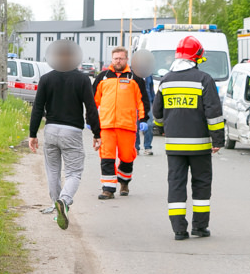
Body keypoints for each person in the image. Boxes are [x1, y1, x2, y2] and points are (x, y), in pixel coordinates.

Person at [152, 35, 224, 240]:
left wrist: (160, 128)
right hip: (200, 146)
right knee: (201, 184)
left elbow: (157, 113)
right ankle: (200, 227)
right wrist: (218, 140)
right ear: (196, 57)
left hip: (174, 146)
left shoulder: (165, 81)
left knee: (176, 184)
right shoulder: (204, 80)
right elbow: (213, 113)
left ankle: (178, 230)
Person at [29, 40, 102, 230]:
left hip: (51, 130)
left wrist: (33, 134)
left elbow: (37, 108)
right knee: (74, 172)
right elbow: (91, 108)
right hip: (72, 131)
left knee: (52, 171)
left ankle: (58, 207)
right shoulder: (82, 79)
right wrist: (96, 132)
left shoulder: (46, 79)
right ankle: (64, 201)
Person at [92, 47, 150, 199]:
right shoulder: (102, 77)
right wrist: (90, 120)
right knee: (107, 157)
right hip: (106, 126)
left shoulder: (135, 78)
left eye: (121, 58)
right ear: (112, 59)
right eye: (116, 58)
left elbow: (142, 100)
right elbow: (93, 101)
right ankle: (108, 189)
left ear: (126, 60)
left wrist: (143, 119)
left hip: (127, 125)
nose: (118, 61)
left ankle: (124, 182)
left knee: (127, 157)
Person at [135, 74, 155, 155]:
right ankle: (136, 147)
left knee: (149, 125)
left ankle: (147, 147)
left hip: (148, 102)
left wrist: (154, 101)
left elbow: (151, 89)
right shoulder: (131, 74)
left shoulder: (148, 75)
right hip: (136, 102)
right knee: (135, 125)